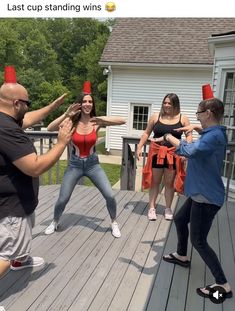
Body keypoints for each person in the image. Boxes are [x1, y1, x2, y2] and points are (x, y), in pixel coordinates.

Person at [0, 66, 74, 279]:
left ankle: (21, 260)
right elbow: (35, 166)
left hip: (16, 201)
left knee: (19, 238)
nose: (28, 107)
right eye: (27, 102)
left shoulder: (6, 120)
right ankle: (15, 258)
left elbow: (29, 118)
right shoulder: (7, 131)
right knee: (6, 254)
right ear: (16, 103)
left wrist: (53, 107)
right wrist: (61, 143)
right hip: (12, 207)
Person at [160, 96, 232, 299]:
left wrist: (169, 137)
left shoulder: (214, 137)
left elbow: (191, 150)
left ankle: (222, 283)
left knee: (199, 240)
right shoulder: (215, 132)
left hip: (206, 197)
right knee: (180, 219)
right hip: (199, 192)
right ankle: (182, 255)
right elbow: (207, 140)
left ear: (208, 113)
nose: (197, 117)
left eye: (199, 113)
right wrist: (198, 129)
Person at [44, 85, 126, 238]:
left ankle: (114, 222)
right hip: (74, 165)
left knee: (110, 195)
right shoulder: (71, 123)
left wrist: (103, 119)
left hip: (92, 165)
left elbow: (122, 120)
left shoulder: (96, 122)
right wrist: (66, 114)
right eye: (84, 101)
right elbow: (50, 128)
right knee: (63, 198)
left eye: (90, 101)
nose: (88, 104)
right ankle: (55, 221)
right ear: (79, 104)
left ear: (92, 104)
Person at [136, 93, 192, 221]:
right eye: (165, 103)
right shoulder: (156, 116)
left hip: (173, 154)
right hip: (157, 153)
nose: (166, 105)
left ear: (175, 105)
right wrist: (139, 147)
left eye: (169, 103)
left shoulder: (183, 119)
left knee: (169, 182)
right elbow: (146, 133)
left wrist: (186, 152)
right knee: (155, 181)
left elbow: (189, 136)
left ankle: (168, 208)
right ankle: (151, 208)